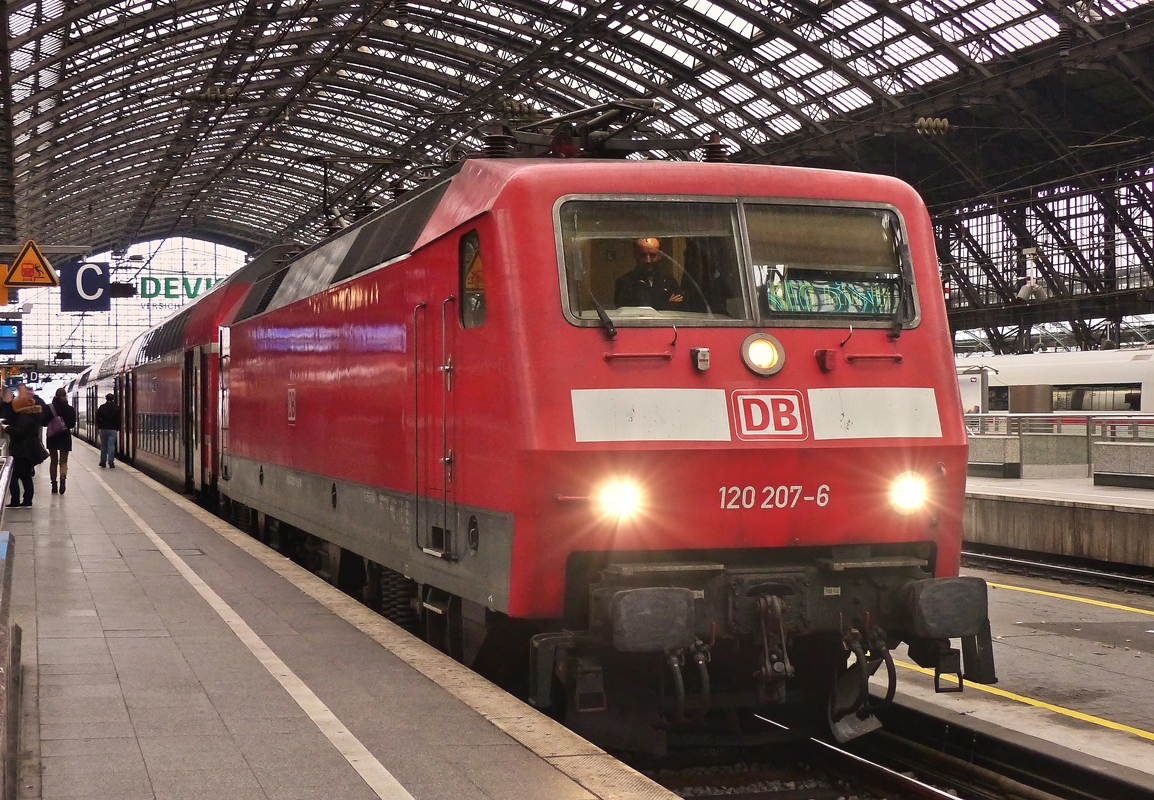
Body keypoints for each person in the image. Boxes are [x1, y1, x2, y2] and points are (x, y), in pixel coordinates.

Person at [614, 237, 687, 311]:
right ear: (635, 254)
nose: (648, 260)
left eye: (653, 255)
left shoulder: (670, 282)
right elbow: (626, 312)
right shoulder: (624, 282)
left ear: (659, 255)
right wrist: (666, 304)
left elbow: (680, 309)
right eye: (643, 255)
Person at [5, 392, 46, 507]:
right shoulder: (33, 415)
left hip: (22, 450)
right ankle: (27, 500)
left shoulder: (25, 417)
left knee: (13, 476)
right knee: (26, 476)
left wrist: (7, 428)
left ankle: (15, 501)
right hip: (29, 450)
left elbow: (18, 432)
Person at [45, 388, 77, 495]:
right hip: (65, 437)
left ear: (55, 396)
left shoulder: (49, 408)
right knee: (63, 461)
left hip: (52, 437)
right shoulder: (70, 409)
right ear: (65, 396)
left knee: (53, 462)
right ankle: (63, 479)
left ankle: (54, 484)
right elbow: (72, 425)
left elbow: (43, 422)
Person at [95, 392, 120, 468]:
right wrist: (118, 428)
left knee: (104, 446)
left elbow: (97, 418)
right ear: (113, 399)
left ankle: (103, 462)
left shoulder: (102, 407)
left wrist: (99, 426)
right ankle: (111, 462)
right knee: (111, 445)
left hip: (103, 429)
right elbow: (119, 419)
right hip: (113, 429)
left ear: (106, 399)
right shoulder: (116, 408)